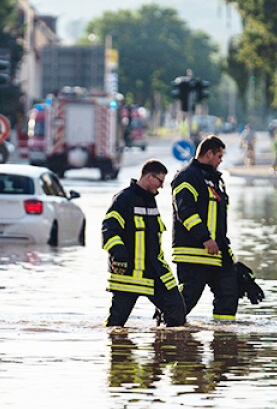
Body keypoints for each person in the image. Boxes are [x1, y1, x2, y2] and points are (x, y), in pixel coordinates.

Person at [102, 159, 186, 328]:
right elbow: (109, 229)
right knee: (116, 326)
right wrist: (119, 254)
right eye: (160, 181)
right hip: (129, 273)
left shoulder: (150, 200)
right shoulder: (123, 199)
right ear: (148, 177)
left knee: (177, 313)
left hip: (154, 271)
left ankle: (164, 349)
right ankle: (118, 352)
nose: (161, 187)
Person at [171, 135, 239, 321]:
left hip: (216, 252)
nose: (220, 161)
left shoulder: (214, 180)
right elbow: (185, 211)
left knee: (229, 293)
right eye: (219, 157)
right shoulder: (187, 177)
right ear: (208, 154)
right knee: (189, 296)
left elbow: (219, 221)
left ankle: (223, 339)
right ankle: (166, 330)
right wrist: (205, 238)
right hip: (192, 251)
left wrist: (228, 255)